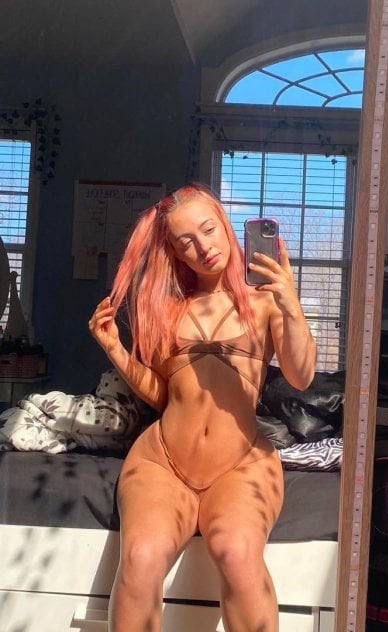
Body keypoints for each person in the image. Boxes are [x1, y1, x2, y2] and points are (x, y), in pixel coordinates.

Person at [88, 182, 317, 632]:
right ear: (175, 252)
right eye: (186, 241)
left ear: (225, 225)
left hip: (241, 463)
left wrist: (291, 304)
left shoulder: (267, 300)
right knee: (140, 557)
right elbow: (161, 394)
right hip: (162, 462)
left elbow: (301, 375)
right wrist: (115, 348)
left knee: (237, 552)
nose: (203, 247)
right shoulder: (169, 308)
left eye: (209, 230)